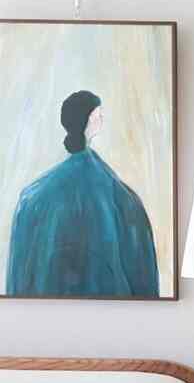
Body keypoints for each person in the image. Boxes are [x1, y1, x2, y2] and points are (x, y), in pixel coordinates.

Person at [6, 90, 160, 298]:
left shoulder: (33, 197)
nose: (101, 119)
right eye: (97, 115)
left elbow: (21, 276)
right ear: (86, 121)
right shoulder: (117, 194)